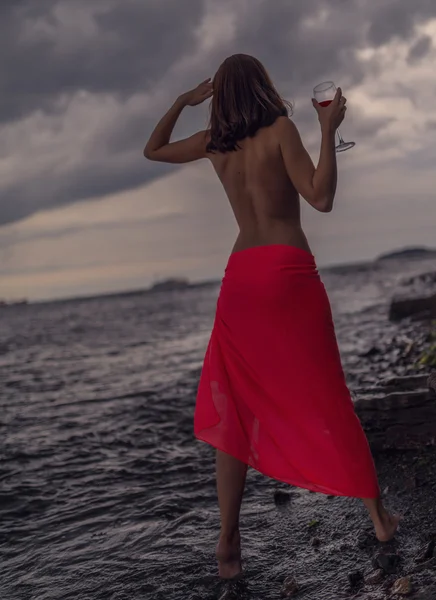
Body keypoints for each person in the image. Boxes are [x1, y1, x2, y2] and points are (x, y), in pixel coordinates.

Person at [144, 53, 399, 580]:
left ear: (220, 97)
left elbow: (153, 150)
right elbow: (321, 197)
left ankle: (229, 540)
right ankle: (379, 518)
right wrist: (328, 129)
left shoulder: (216, 144)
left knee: (234, 409)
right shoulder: (282, 129)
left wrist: (182, 102)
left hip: (240, 279)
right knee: (327, 390)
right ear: (263, 86)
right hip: (286, 273)